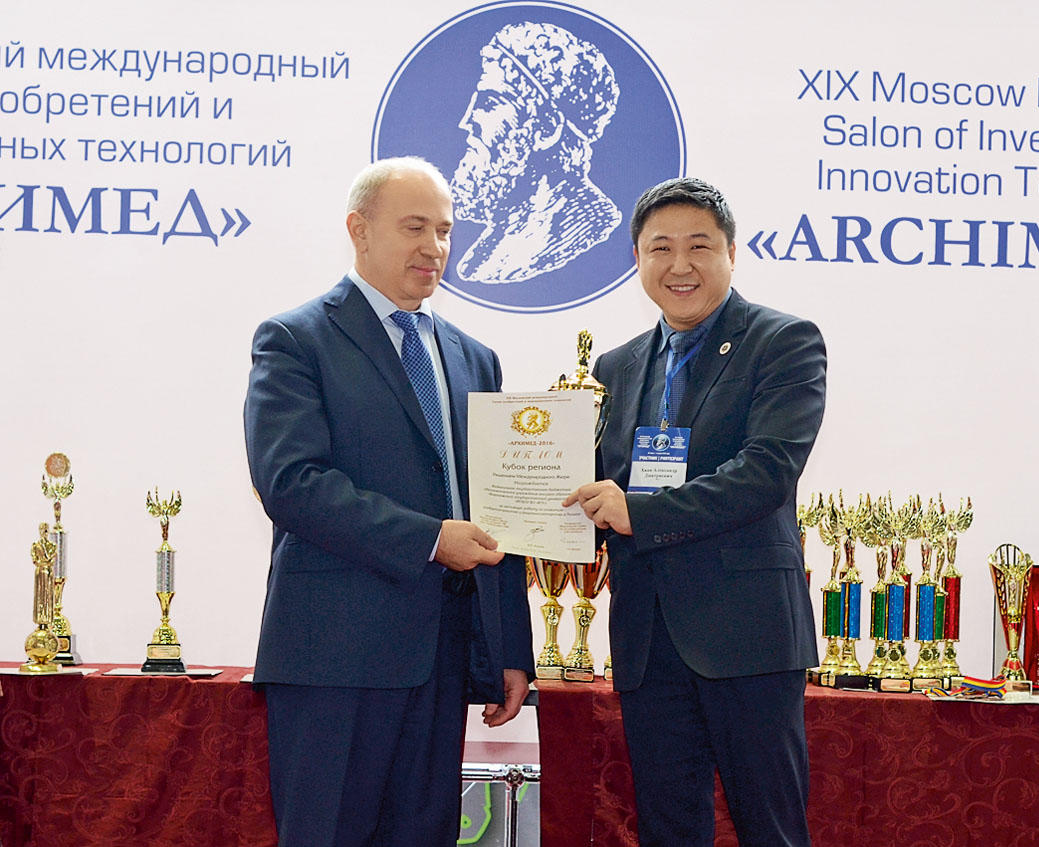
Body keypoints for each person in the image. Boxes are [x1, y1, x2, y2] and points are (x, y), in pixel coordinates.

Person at [243, 156, 534, 847]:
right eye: (414, 227)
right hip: (334, 659)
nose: (434, 247)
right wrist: (431, 538)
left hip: (442, 658)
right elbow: (291, 481)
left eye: (445, 231)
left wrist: (509, 648)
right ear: (359, 229)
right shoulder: (296, 340)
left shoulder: (474, 357)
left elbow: (496, 506)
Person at [564, 177, 826, 846]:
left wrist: (638, 513)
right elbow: (599, 486)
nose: (679, 264)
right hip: (649, 641)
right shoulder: (617, 367)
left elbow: (766, 472)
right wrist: (534, 496)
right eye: (661, 248)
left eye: (699, 246)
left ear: (732, 252)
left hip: (747, 638)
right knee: (667, 831)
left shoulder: (783, 342)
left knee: (771, 829)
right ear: (637, 258)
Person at [450, 21, 621, 283]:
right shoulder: (491, 244)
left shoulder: (586, 225)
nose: (467, 120)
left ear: (546, 128)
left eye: (490, 102)